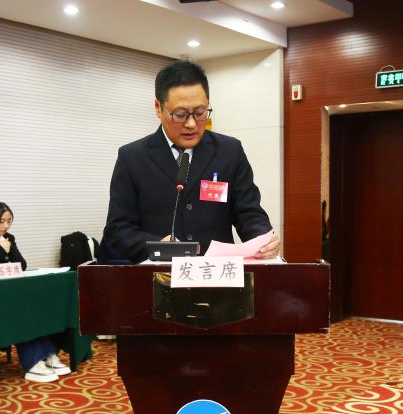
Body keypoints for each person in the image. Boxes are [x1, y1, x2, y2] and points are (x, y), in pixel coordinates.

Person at [101, 60, 280, 263]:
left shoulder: (229, 151)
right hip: (159, 274)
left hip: (215, 273)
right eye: (181, 114)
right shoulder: (132, 157)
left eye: (200, 112)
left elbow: (249, 212)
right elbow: (118, 229)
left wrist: (263, 239)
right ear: (158, 107)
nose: (192, 124)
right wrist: (156, 245)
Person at [0, 202, 70, 383]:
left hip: (10, 293)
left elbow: (22, 264)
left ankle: (48, 354)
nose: (6, 226)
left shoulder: (9, 238)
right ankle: (33, 362)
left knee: (34, 306)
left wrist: (9, 247)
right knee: (19, 311)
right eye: (1, 221)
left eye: (9, 221)